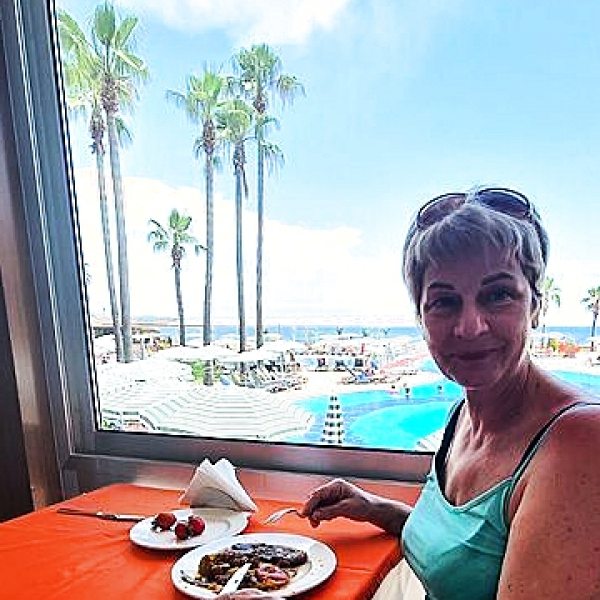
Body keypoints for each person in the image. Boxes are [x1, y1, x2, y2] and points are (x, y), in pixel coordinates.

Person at [218, 187, 600, 599]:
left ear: (536, 306)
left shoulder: (580, 442)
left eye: (498, 295)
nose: (469, 326)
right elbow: (468, 555)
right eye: (444, 302)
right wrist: (373, 507)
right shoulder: (462, 416)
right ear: (420, 318)